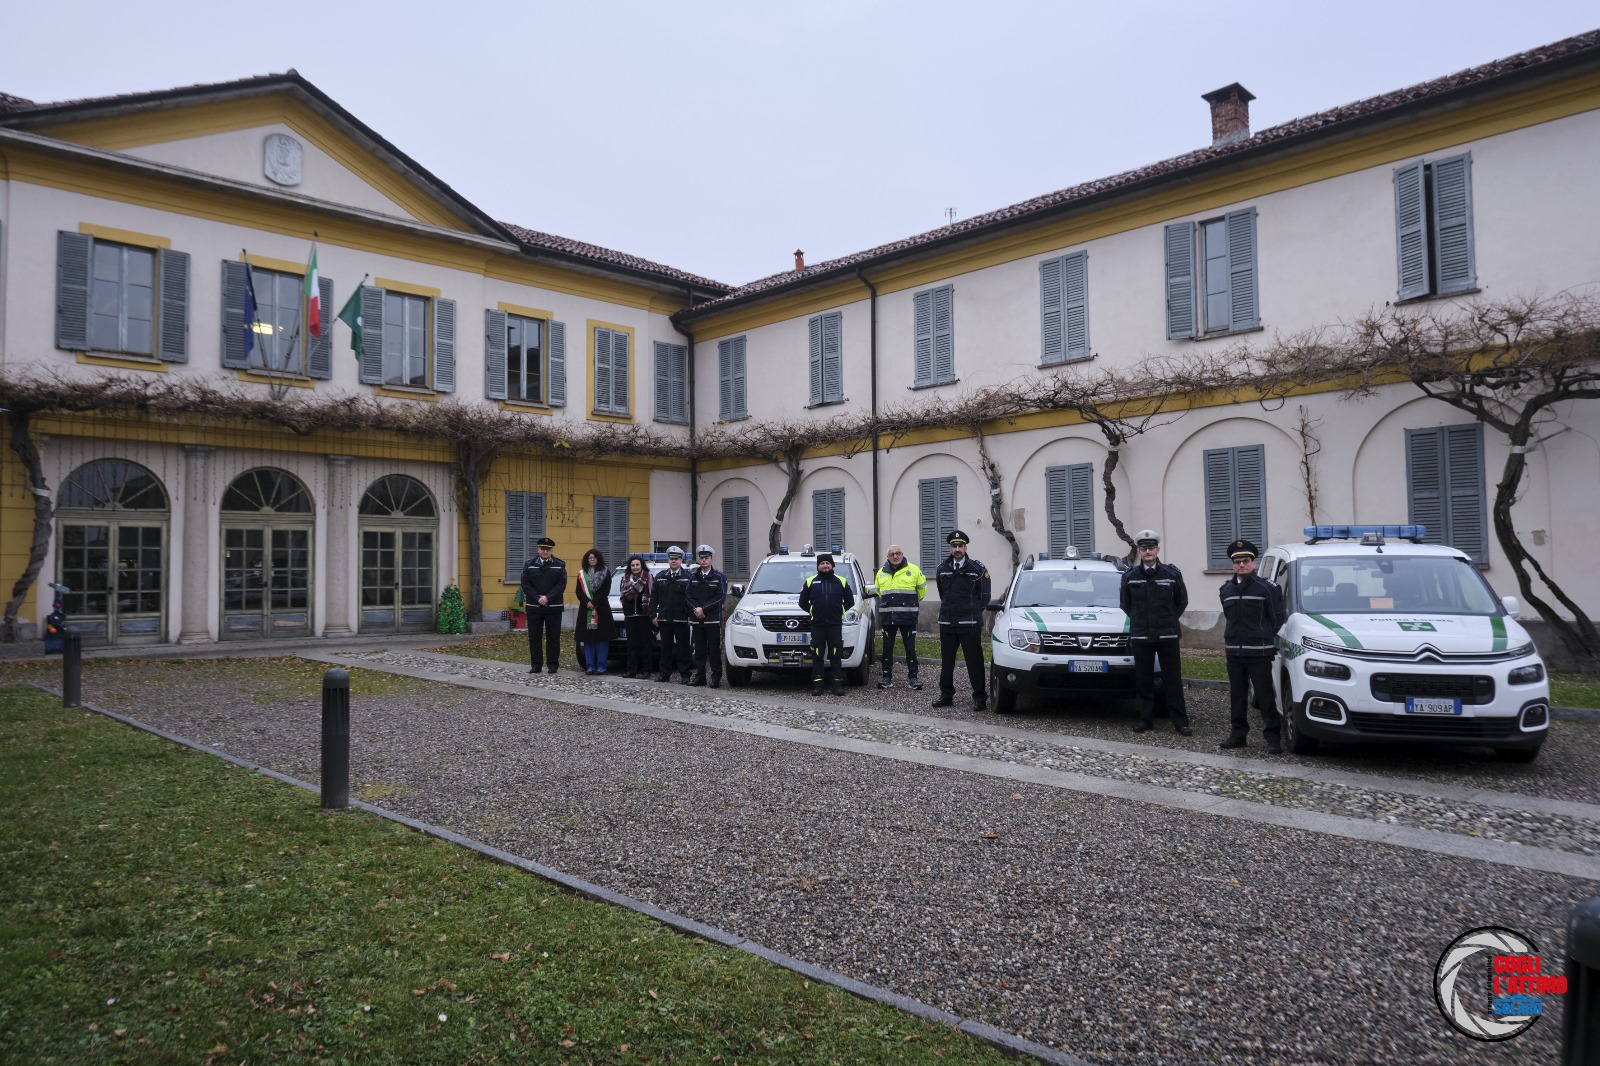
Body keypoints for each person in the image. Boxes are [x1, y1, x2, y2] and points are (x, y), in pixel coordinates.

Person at [1217, 538, 1287, 753]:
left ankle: (1273, 738)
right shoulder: (1226, 589)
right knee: (1237, 696)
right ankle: (1238, 735)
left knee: (1265, 696)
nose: (1242, 565)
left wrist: (1263, 637)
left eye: (1246, 561)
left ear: (1253, 563)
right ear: (1232, 564)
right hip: (1234, 652)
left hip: (1259, 652)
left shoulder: (1266, 588)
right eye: (1237, 562)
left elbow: (1277, 619)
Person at [1120, 529, 1192, 735]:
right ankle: (1145, 720)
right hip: (1141, 635)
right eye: (1144, 548)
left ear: (1158, 549)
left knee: (1172, 680)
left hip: (1167, 634)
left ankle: (1180, 722)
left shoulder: (1171, 574)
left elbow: (1182, 601)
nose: (1148, 551)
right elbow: (1126, 604)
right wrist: (1140, 621)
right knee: (1143, 680)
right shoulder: (1130, 576)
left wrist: (1167, 620)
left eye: (1151, 548)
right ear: (1139, 551)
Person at [932, 530, 990, 710]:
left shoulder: (977, 569)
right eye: (954, 546)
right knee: (947, 661)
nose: (957, 549)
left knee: (974, 661)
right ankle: (946, 695)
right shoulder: (942, 569)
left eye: (960, 546)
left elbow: (985, 596)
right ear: (950, 549)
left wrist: (972, 611)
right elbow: (943, 594)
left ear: (965, 548)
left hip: (969, 623)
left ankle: (980, 698)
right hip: (948, 622)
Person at [798, 552, 854, 695]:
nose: (825, 565)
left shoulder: (841, 581)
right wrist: (812, 610)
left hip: (835, 625)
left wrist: (839, 610)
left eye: (827, 563)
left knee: (836, 655)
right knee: (817, 655)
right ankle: (818, 685)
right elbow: (802, 602)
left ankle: (837, 684)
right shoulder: (810, 581)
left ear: (832, 565)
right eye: (822, 563)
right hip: (817, 625)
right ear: (818, 566)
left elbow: (850, 601)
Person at [875, 544, 926, 689]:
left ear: (902, 554)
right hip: (888, 618)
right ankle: (886, 677)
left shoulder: (914, 570)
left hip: (907, 617)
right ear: (887, 557)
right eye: (892, 554)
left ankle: (913, 678)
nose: (895, 556)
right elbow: (879, 591)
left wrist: (911, 605)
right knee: (887, 649)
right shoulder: (881, 573)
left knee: (910, 649)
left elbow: (922, 591)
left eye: (898, 553)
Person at [520, 536, 566, 674]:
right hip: (534, 607)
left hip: (553, 607)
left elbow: (561, 585)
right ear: (538, 549)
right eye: (542, 549)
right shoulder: (529, 564)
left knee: (553, 638)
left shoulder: (559, 565)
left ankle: (552, 665)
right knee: (534, 637)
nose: (545, 552)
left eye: (548, 549)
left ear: (551, 550)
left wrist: (548, 598)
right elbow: (525, 583)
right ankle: (536, 665)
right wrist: (537, 598)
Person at [686, 544, 728, 688]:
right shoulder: (693, 577)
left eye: (706, 558)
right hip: (697, 620)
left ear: (711, 559)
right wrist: (696, 609)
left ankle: (716, 677)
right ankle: (700, 676)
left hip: (712, 620)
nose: (703, 560)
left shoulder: (719, 577)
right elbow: (688, 595)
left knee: (714, 650)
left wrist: (703, 608)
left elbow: (720, 596)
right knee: (699, 650)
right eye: (701, 558)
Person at [651, 545, 693, 683]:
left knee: (683, 648)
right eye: (671, 559)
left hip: (681, 618)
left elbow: (691, 599)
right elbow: (653, 599)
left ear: (681, 560)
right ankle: (664, 674)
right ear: (668, 560)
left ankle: (685, 675)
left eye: (676, 559)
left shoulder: (688, 577)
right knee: (665, 648)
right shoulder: (660, 577)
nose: (673, 561)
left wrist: (690, 616)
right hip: (664, 618)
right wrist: (653, 615)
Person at [574, 548, 616, 675]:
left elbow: (606, 590)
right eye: (589, 558)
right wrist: (587, 602)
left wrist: (594, 602)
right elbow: (578, 592)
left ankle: (601, 666)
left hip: (601, 609)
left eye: (594, 558)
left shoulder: (606, 572)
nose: (592, 560)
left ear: (598, 559)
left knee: (602, 639)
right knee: (588, 639)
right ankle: (590, 666)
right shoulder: (582, 573)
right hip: (586, 609)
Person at [617, 555, 655, 678]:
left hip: (644, 616)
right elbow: (622, 596)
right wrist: (626, 609)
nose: (635, 567)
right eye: (633, 565)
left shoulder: (648, 577)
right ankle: (631, 670)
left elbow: (652, 596)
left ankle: (646, 670)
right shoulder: (625, 578)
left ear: (641, 565)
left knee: (646, 644)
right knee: (631, 645)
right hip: (630, 616)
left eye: (637, 565)